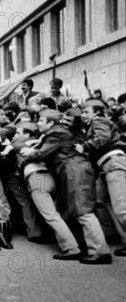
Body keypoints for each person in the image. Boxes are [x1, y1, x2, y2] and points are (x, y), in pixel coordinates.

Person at [21, 109, 112, 264]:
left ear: (50, 123)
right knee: (81, 210)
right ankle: (94, 248)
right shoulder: (60, 132)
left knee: (83, 212)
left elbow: (41, 154)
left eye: (41, 121)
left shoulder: (55, 134)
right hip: (75, 170)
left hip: (73, 171)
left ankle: (100, 252)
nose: (38, 123)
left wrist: (29, 151)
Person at [78, 100, 126, 257]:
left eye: (86, 111)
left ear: (96, 112)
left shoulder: (99, 120)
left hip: (113, 163)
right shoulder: (94, 123)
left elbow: (103, 137)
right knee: (101, 202)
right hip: (106, 167)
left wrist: (84, 146)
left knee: (121, 208)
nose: (83, 115)